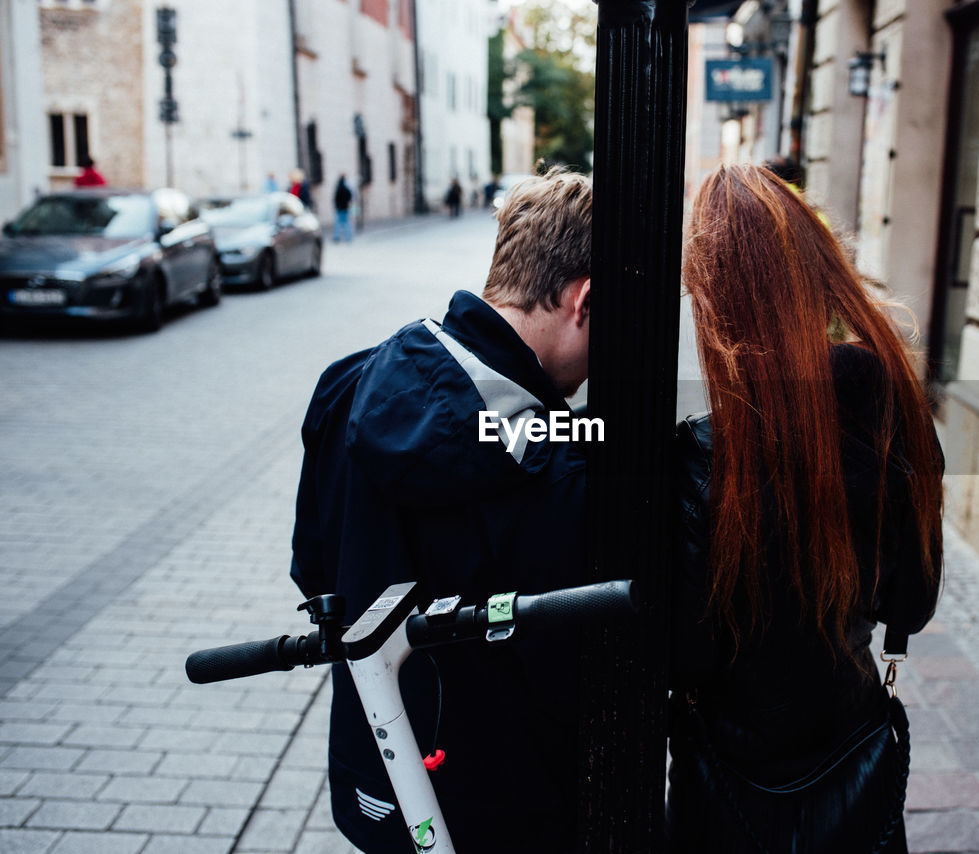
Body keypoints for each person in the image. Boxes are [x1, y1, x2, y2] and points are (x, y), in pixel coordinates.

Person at [290, 170, 593, 854]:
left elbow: (315, 572)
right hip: (510, 806)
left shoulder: (346, 383)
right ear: (584, 300)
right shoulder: (558, 457)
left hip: (379, 776)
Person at [667, 164, 944, 853]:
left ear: (718, 305)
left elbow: (686, 655)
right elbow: (911, 604)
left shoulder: (701, 458)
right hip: (853, 758)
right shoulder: (895, 419)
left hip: (732, 782)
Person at [332, 175, 354, 242]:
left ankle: (337, 237)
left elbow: (335, 198)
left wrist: (337, 206)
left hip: (340, 208)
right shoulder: (346, 188)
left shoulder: (338, 188)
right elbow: (350, 197)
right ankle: (348, 237)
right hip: (345, 207)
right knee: (347, 223)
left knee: (338, 224)